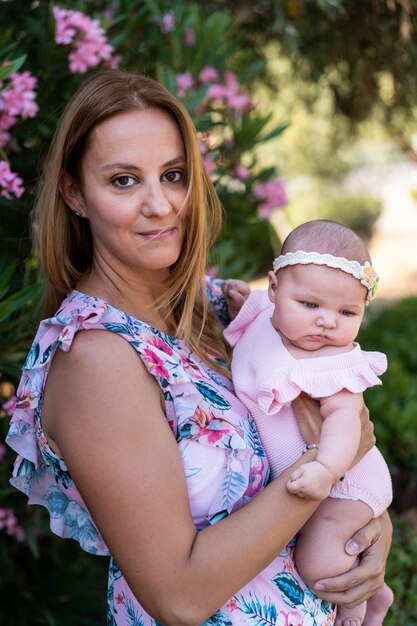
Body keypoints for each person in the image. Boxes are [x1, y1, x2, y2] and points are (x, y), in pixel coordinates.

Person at [5, 70, 392, 626]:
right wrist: (325, 467)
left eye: (174, 174)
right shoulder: (96, 356)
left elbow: (337, 424)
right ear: (74, 193)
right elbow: (178, 596)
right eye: (123, 181)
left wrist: (368, 537)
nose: (160, 205)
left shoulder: (217, 309)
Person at [224, 220, 394, 626]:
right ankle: (378, 596)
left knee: (319, 565)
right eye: (311, 305)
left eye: (347, 311)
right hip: (316, 477)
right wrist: (238, 305)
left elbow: (344, 423)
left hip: (344, 482)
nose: (327, 321)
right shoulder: (266, 315)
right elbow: (256, 316)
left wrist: (325, 470)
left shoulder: (334, 362)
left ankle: (357, 605)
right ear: (274, 288)